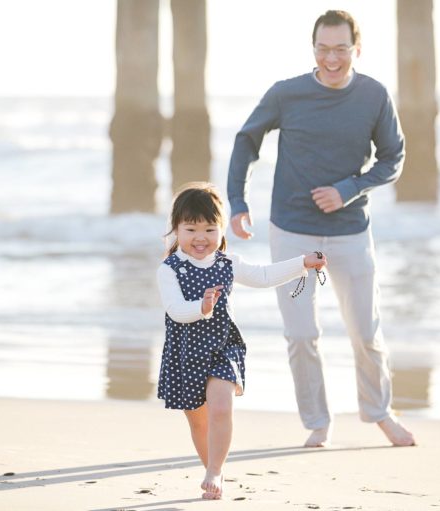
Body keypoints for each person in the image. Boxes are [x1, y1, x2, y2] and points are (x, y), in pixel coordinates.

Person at [227, 9, 415, 448]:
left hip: (350, 231)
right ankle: (317, 423)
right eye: (324, 49)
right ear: (314, 49)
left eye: (341, 49)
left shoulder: (374, 96)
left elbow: (393, 158)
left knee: (365, 332)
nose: (332, 58)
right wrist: (238, 201)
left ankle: (379, 412)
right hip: (292, 230)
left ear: (357, 50)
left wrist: (349, 188)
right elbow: (246, 140)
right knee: (301, 334)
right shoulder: (287, 94)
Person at [157, 182, 327, 499]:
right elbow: (176, 310)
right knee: (199, 423)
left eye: (209, 229)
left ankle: (215, 472)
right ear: (176, 229)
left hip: (223, 345)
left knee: (221, 408)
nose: (200, 238)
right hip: (186, 352)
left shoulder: (227, 263)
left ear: (221, 230)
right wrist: (202, 307)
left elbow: (263, 276)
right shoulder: (170, 269)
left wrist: (301, 262)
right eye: (191, 228)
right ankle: (211, 468)